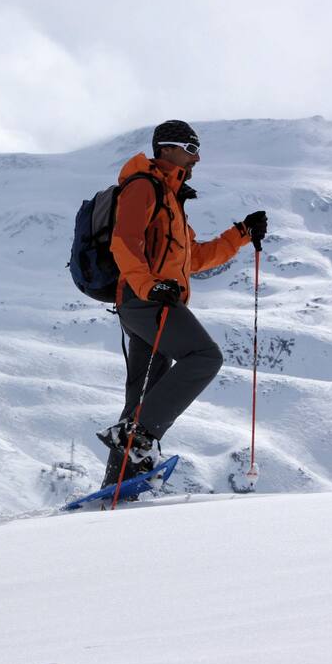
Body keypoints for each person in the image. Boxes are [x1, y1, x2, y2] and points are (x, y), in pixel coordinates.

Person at [97, 120, 267, 491]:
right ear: (168, 148)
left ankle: (118, 485)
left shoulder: (171, 199)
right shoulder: (143, 187)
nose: (197, 157)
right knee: (205, 356)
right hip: (147, 300)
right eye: (191, 149)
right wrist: (149, 286)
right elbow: (124, 242)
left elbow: (194, 258)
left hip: (151, 299)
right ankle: (139, 438)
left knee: (141, 398)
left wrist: (240, 234)